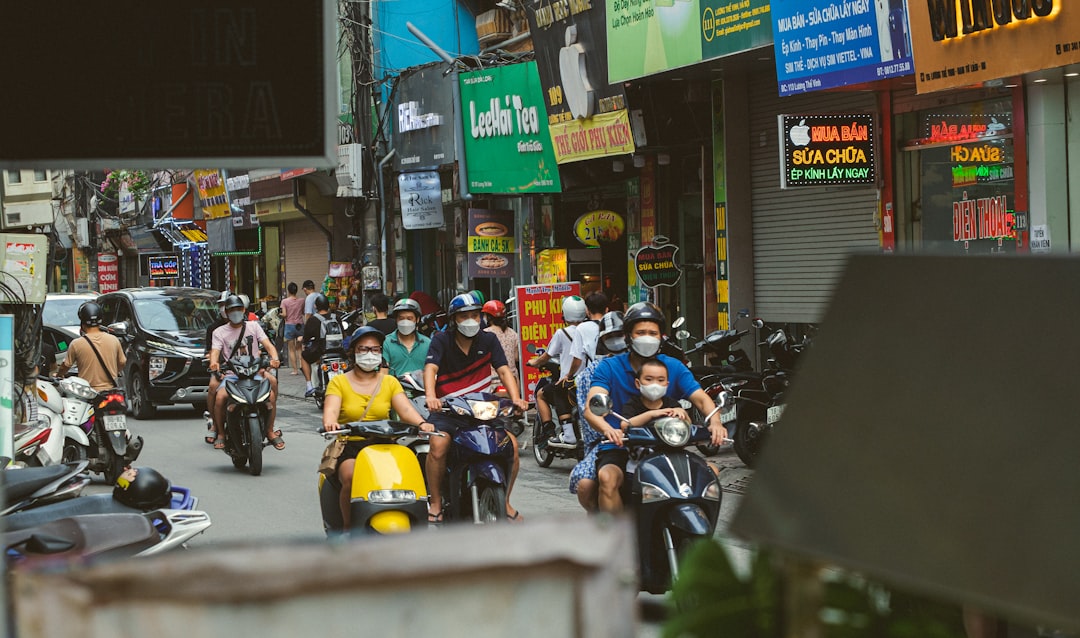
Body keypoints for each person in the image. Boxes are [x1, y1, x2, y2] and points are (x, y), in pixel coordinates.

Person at [583, 302, 728, 513]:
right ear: (628, 337)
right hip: (620, 445)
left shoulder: (673, 366)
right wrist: (608, 430)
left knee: (708, 474)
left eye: (653, 333)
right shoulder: (609, 367)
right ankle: (617, 532)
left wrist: (715, 423)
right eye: (641, 332)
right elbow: (592, 407)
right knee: (607, 479)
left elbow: (701, 400)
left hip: (667, 445)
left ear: (661, 337)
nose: (647, 338)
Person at [423, 292, 528, 524]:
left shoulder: (489, 340)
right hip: (448, 410)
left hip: (481, 409)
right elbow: (430, 369)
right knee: (438, 446)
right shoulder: (441, 340)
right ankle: (436, 502)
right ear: (454, 319)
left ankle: (505, 501)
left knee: (510, 445)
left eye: (475, 315)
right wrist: (431, 396)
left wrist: (516, 399)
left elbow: (504, 370)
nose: (471, 320)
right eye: (464, 316)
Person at [322, 326, 432, 528]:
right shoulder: (338, 382)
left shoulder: (389, 382)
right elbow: (331, 409)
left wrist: (422, 424)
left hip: (385, 445)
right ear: (353, 352)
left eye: (375, 349)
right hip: (351, 445)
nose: (369, 354)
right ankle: (348, 528)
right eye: (363, 349)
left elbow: (406, 410)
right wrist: (331, 422)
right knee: (350, 476)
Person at [595, 358, 689, 513]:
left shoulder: (672, 404)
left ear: (667, 384)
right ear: (638, 383)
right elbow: (626, 424)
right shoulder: (633, 404)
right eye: (649, 379)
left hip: (669, 466)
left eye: (660, 380)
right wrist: (652, 414)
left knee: (709, 471)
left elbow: (687, 425)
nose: (655, 384)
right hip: (637, 468)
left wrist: (682, 413)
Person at [208, 295, 284, 451]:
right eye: (231, 310)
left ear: (243, 310)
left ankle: (270, 429)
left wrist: (274, 359)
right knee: (220, 397)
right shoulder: (218, 332)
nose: (235, 312)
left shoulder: (254, 326)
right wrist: (214, 363)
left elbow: (268, 345)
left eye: (238, 309)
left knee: (271, 394)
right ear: (226, 312)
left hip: (254, 373)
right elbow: (215, 351)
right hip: (232, 375)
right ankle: (220, 432)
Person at [568, 311, 625, 511]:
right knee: (586, 485)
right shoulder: (591, 374)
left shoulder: (650, 365)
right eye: (610, 337)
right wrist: (609, 431)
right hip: (609, 441)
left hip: (650, 439)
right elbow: (590, 416)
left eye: (620, 335)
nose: (616, 341)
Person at [527, 295, 585, 446]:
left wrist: (534, 363)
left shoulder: (562, 333)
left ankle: (552, 431)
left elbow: (547, 356)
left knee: (542, 394)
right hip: (588, 380)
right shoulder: (589, 330)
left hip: (570, 382)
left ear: (565, 314)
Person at [58, 301, 126, 392]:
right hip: (111, 390)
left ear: (82, 323)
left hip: (88, 392)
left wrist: (59, 375)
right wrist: (114, 371)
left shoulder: (76, 344)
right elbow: (122, 362)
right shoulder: (114, 340)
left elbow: (66, 366)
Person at [301, 293, 345, 398]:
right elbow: (343, 334)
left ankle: (309, 385)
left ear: (315, 306)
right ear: (328, 305)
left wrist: (302, 341)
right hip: (339, 351)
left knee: (303, 356)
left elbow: (306, 338)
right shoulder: (336, 317)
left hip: (321, 351)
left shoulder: (313, 320)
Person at [202, 291, 232, 444]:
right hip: (223, 369)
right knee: (213, 387)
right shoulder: (214, 329)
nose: (225, 308)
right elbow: (210, 352)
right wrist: (214, 364)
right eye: (222, 305)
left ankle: (268, 424)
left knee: (269, 383)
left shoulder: (248, 326)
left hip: (246, 368)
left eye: (227, 305)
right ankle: (215, 423)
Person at [383, 297, 431, 377]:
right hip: (395, 385)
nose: (405, 322)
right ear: (396, 320)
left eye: (409, 318)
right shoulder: (386, 342)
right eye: (401, 318)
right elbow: (383, 373)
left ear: (417, 319)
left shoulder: (427, 343)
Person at [567, 292, 607, 380]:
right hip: (614, 374)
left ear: (587, 311)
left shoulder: (582, 328)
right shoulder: (613, 325)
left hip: (594, 377)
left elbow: (577, 360)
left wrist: (569, 375)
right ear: (606, 310)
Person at [482, 299, 520, 385]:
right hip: (512, 381)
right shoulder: (513, 333)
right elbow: (516, 357)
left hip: (493, 381)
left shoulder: (485, 334)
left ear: (489, 317)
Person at [280, 282, 305, 376]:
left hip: (289, 326)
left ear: (288, 291)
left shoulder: (284, 302)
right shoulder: (302, 300)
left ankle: (295, 370)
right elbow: (303, 312)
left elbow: (284, 314)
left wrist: (280, 314)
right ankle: (302, 365)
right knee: (300, 348)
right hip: (299, 325)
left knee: (291, 349)